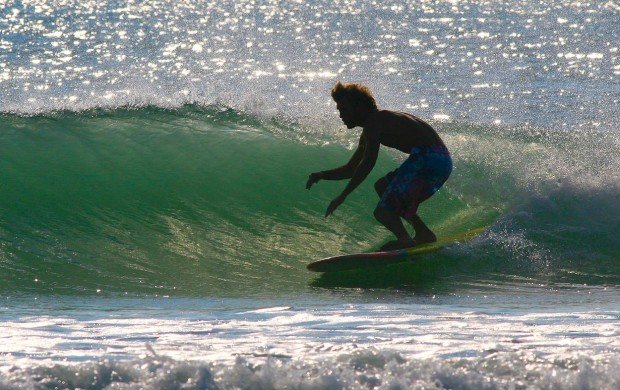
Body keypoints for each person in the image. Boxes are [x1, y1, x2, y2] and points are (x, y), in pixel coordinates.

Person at [306, 82, 452, 251]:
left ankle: (404, 239)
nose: (340, 115)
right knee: (383, 186)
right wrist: (321, 175)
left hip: (428, 159)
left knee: (383, 213)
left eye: (344, 110)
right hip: (441, 161)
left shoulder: (374, 122)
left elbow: (368, 162)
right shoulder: (376, 123)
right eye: (339, 110)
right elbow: (351, 168)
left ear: (359, 107)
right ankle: (422, 232)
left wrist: (342, 196)